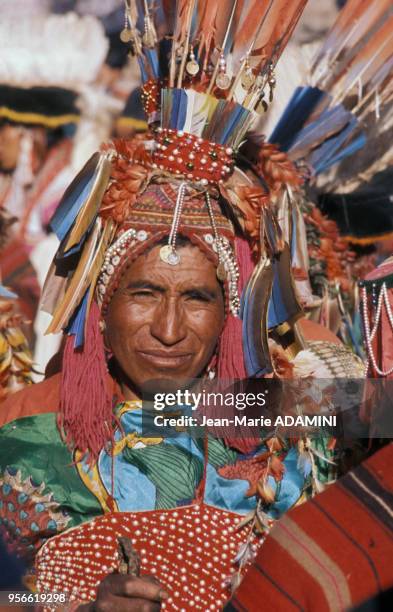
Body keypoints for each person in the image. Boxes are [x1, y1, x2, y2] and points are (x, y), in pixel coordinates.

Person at [0, 1, 365, 610]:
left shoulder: (297, 432)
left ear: (233, 313)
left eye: (198, 298)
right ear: (99, 303)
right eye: (143, 293)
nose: (168, 330)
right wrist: (76, 605)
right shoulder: (23, 435)